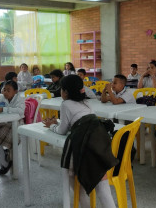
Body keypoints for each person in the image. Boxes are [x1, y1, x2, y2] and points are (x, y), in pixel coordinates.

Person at [43, 75, 117, 208]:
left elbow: (62, 131)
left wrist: (52, 126)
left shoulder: (65, 104)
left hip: (84, 142)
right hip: (99, 141)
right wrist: (59, 122)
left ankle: (85, 205)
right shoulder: (86, 102)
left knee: (71, 172)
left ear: (65, 92)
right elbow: (79, 121)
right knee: (101, 179)